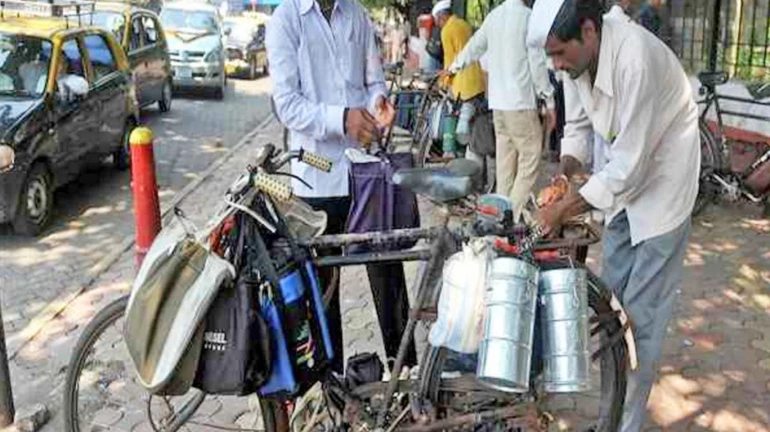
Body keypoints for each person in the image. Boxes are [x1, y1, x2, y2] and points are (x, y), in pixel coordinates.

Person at [527, 0, 699, 431]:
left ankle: (624, 425)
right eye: (550, 56)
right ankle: (609, 408)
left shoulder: (634, 58)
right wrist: (564, 177)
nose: (557, 65)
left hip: (663, 187)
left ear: (588, 31)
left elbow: (629, 168)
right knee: (609, 310)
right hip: (622, 188)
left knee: (640, 323)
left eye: (560, 54)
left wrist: (563, 210)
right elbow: (579, 129)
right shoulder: (574, 61)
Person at [266, 0, 417, 373]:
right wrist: (341, 119)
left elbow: (373, 80)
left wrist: (377, 102)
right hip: (314, 174)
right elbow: (286, 104)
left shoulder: (357, 14)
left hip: (364, 171)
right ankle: (330, 387)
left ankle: (405, 374)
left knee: (386, 265)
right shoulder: (286, 19)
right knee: (322, 288)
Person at [445, 0, 555, 221]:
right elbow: (536, 62)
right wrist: (548, 96)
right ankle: (512, 214)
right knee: (531, 156)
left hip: (499, 105)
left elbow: (475, 45)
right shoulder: (527, 17)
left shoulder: (494, 17)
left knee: (506, 164)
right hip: (520, 103)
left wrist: (455, 66)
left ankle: (498, 219)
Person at [432, 0, 485, 125]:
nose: (437, 24)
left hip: (463, 85)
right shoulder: (464, 24)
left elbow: (450, 61)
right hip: (478, 80)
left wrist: (443, 83)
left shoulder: (446, 30)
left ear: (442, 16)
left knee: (458, 125)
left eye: (437, 20)